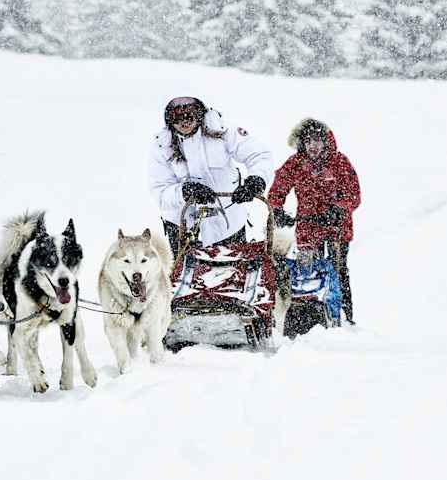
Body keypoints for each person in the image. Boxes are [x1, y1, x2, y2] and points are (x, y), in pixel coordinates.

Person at [149, 96, 273, 255]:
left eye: (190, 115)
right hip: (183, 228)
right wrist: (184, 192)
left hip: (227, 224)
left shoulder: (222, 131)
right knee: (186, 270)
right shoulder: (161, 146)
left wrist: (256, 180)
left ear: (200, 114)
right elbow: (160, 191)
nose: (184, 122)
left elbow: (259, 155)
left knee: (233, 268)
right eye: (177, 117)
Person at [267, 118, 361, 324]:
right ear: (302, 142)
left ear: (325, 141)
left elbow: (354, 194)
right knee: (307, 270)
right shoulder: (295, 163)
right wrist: (277, 209)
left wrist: (338, 209)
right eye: (308, 141)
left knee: (337, 269)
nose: (313, 146)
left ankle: (344, 315)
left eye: (317, 140)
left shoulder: (339, 162)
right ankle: (311, 316)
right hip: (308, 226)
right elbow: (277, 189)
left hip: (337, 227)